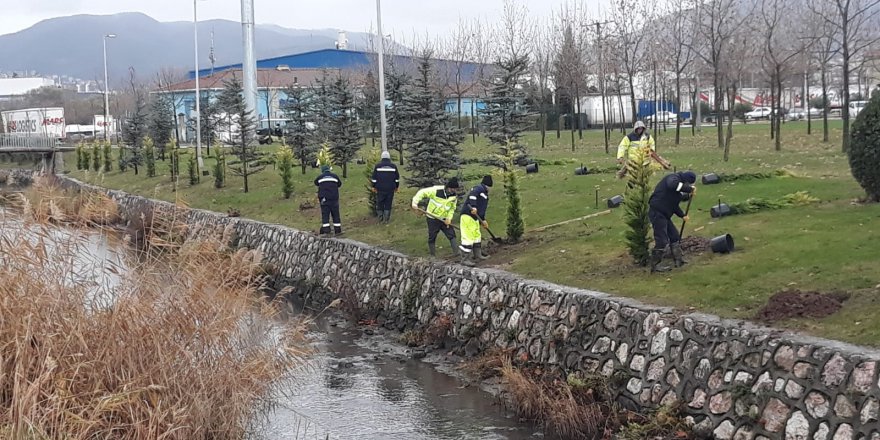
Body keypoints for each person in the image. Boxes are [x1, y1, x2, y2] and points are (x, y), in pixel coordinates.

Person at [648, 170, 697, 273]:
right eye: (688, 184)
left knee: (675, 236)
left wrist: (682, 215)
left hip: (665, 215)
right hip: (657, 212)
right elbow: (672, 185)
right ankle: (655, 266)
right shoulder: (673, 178)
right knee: (662, 240)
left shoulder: (676, 193)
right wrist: (689, 189)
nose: (687, 186)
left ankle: (679, 260)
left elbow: (674, 205)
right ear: (685, 180)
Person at [411, 177, 462, 257]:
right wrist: (415, 203)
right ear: (448, 187)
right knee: (432, 236)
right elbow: (422, 192)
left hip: (444, 219)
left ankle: (457, 253)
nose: (454, 191)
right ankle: (433, 255)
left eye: (455, 189)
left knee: (451, 234)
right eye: (452, 189)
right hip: (432, 218)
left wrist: (449, 218)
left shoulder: (454, 196)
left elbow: (452, 208)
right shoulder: (436, 190)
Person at [459, 175, 493, 267]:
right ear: (488, 186)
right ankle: (465, 259)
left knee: (476, 235)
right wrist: (473, 207)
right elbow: (472, 196)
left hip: (475, 217)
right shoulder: (478, 188)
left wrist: (483, 220)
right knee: (468, 237)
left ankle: (478, 255)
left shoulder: (484, 194)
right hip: (468, 215)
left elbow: (481, 210)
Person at [371, 151, 400, 223]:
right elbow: (397, 179)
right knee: (388, 202)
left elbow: (374, 178)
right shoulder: (393, 166)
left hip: (380, 188)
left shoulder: (377, 166)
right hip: (390, 188)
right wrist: (396, 186)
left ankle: (380, 218)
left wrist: (374, 186)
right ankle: (386, 219)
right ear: (389, 158)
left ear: (382, 157)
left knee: (380, 202)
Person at [314, 164, 343, 236]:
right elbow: (339, 184)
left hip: (324, 199)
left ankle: (327, 231)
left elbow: (316, 183)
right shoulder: (335, 176)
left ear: (322, 171)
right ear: (329, 170)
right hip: (334, 199)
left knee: (325, 215)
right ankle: (338, 230)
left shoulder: (320, 177)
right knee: (336, 214)